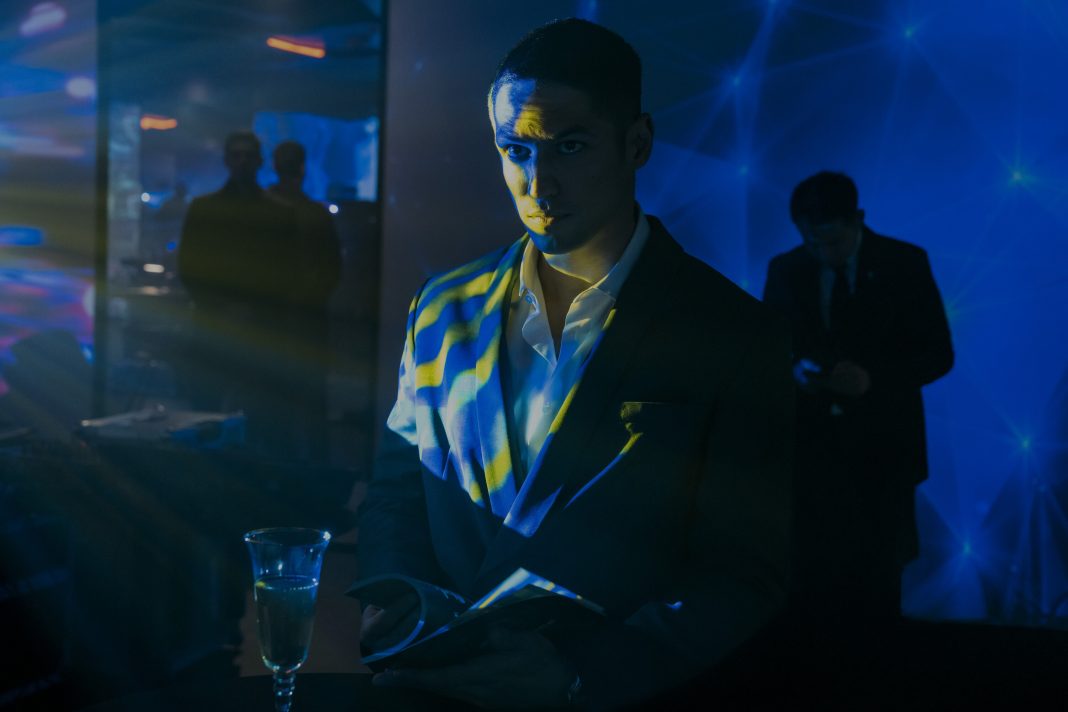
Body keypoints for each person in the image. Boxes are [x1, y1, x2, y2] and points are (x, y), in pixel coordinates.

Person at [356, 18, 794, 710]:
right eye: (515, 150)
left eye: (570, 145)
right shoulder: (441, 308)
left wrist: (581, 675)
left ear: (637, 143)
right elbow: (399, 487)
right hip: (437, 690)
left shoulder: (733, 333)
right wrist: (400, 602)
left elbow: (747, 570)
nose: (539, 182)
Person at [763, 171, 954, 625]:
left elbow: (938, 354)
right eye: (812, 242)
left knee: (878, 588)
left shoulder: (905, 264)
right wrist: (796, 371)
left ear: (858, 221)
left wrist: (874, 381)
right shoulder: (787, 269)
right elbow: (765, 348)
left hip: (883, 457)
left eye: (833, 241)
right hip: (811, 458)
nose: (823, 253)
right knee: (810, 588)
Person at [176, 130, 300, 457]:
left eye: (248, 155)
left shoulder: (278, 213)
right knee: (210, 418)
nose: (242, 162)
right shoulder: (206, 208)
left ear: (258, 161)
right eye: (237, 155)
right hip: (223, 327)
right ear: (228, 160)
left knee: (262, 422)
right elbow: (189, 268)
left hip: (257, 329)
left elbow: (287, 272)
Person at [266, 140, 343, 461]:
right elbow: (332, 269)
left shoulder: (274, 211)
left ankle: (281, 472)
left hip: (281, 323)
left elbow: (330, 269)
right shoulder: (314, 213)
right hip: (301, 322)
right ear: (302, 168)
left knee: (280, 407)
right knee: (304, 407)